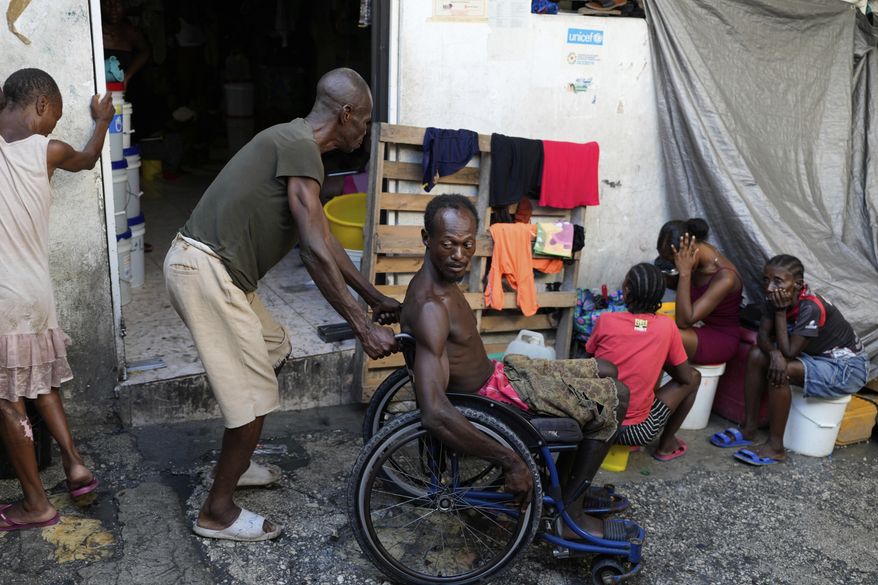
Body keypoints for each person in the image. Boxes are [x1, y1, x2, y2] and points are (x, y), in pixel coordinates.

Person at [164, 67, 399, 542]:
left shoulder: (299, 147)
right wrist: (361, 327)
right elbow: (312, 252)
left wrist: (373, 297)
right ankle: (218, 510)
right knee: (253, 394)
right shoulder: (299, 146)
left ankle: (238, 463)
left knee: (272, 348)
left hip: (220, 272)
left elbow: (325, 240)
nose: (366, 131)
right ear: (347, 114)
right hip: (205, 269)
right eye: (366, 120)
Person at [400, 194, 629, 538]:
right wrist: (511, 461)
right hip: (495, 396)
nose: (459, 255)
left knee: (606, 369)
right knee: (616, 395)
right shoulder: (431, 306)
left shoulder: (438, 285)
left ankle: (564, 491)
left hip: (502, 374)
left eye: (466, 244)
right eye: (448, 244)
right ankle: (570, 514)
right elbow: (434, 413)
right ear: (426, 239)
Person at [0, 68, 114, 530]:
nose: (53, 126)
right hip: (37, 295)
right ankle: (75, 466)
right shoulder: (49, 151)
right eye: (55, 116)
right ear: (42, 105)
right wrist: (102, 120)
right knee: (43, 384)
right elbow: (88, 159)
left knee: (9, 401)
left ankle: (36, 504)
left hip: (3, 301)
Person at [711, 254, 870, 465]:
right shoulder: (775, 298)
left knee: (782, 368)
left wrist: (779, 315)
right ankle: (749, 428)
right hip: (813, 357)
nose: (769, 287)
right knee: (758, 354)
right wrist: (774, 353)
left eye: (778, 281)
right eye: (766, 280)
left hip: (847, 368)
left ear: (797, 285)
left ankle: (775, 447)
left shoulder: (810, 307)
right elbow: (763, 337)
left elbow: (789, 352)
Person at [585, 263, 701, 461]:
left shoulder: (606, 320)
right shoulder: (667, 327)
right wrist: (657, 356)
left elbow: (591, 360)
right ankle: (666, 445)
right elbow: (684, 377)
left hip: (595, 424)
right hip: (637, 432)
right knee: (695, 377)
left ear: (627, 290)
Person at [656, 218, 743, 365]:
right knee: (643, 324)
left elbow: (684, 322)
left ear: (691, 250)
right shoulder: (694, 258)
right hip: (698, 327)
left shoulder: (725, 278)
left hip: (720, 339)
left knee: (661, 333)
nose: (674, 267)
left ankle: (684, 384)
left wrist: (685, 273)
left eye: (674, 262)